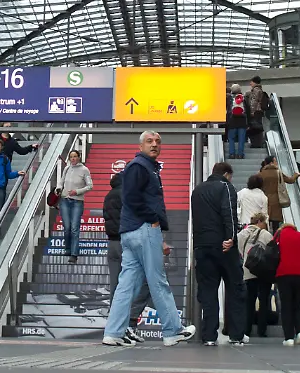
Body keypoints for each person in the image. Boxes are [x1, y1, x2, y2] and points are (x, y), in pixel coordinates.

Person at [102, 131, 196, 347]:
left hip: (131, 232)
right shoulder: (139, 166)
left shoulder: (142, 167)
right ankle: (173, 330)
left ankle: (114, 332)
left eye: (158, 142)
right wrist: (152, 219)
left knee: (125, 284)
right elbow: (131, 197)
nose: (154, 145)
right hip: (143, 229)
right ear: (141, 145)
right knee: (158, 280)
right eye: (149, 141)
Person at [190, 162, 246, 346]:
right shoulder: (226, 187)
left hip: (202, 247)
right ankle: (236, 335)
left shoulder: (197, 191)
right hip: (223, 246)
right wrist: (230, 237)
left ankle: (209, 336)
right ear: (227, 174)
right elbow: (229, 213)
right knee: (235, 288)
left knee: (207, 292)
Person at [103, 173, 151, 344]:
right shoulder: (127, 194)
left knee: (116, 286)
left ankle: (114, 328)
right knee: (140, 282)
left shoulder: (109, 195)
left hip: (112, 244)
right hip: (126, 243)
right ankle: (128, 324)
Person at [237, 213, 273, 337]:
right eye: (264, 222)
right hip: (264, 272)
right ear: (259, 222)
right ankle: (262, 330)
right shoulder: (266, 234)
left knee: (249, 302)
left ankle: (247, 330)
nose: (266, 225)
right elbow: (273, 250)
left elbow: (238, 251)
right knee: (264, 302)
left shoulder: (241, 234)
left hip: (248, 272)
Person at [56, 150, 92, 263]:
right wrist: (58, 188)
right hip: (64, 200)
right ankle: (67, 248)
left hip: (77, 201)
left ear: (79, 157)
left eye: (75, 156)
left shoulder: (84, 170)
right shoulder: (67, 168)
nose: (73, 159)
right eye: (71, 157)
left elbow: (90, 186)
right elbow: (61, 182)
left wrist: (77, 191)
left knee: (75, 228)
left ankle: (74, 254)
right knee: (67, 228)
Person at [260, 156, 297, 232]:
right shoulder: (278, 173)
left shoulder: (261, 173)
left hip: (264, 200)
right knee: (275, 224)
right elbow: (290, 180)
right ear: (271, 163)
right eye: (275, 161)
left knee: (265, 221)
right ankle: (276, 240)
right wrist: (296, 175)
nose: (276, 162)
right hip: (276, 200)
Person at [225, 84, 249, 159]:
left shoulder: (229, 98)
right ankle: (240, 154)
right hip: (242, 121)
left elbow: (226, 108)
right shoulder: (244, 98)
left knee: (231, 139)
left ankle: (232, 154)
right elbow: (248, 110)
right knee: (241, 139)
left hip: (232, 121)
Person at [246, 76, 270, 148]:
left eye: (251, 82)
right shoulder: (260, 90)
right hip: (259, 111)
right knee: (258, 128)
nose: (250, 83)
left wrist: (252, 112)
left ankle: (256, 143)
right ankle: (259, 143)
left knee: (255, 128)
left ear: (254, 82)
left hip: (256, 112)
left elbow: (254, 102)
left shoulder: (256, 90)